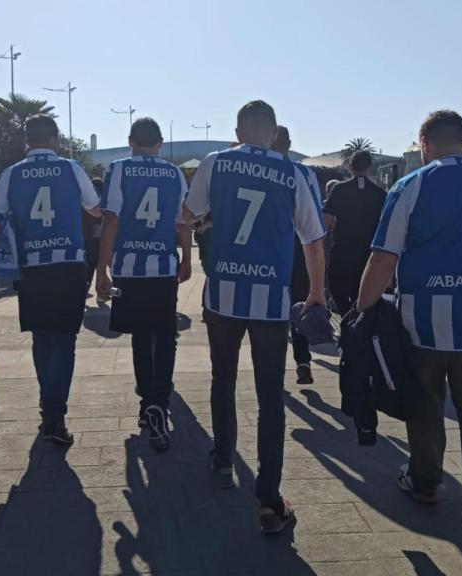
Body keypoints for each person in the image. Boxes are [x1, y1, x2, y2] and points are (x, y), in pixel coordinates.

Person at [355, 110, 462, 568]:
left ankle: (425, 483)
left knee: (425, 402)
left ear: (424, 143)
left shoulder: (412, 185)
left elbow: (384, 258)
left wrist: (361, 310)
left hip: (424, 323)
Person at [182, 100, 326, 534]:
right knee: (270, 397)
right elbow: (313, 239)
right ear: (275, 131)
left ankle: (224, 459)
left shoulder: (215, 162)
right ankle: (268, 498)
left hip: (223, 294)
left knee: (222, 379)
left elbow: (187, 215)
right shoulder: (294, 173)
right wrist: (316, 292)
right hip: (270, 298)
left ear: (238, 130)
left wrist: (207, 222)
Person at [0, 114, 101, 444]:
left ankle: (47, 404)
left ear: (27, 141)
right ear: (55, 139)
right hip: (68, 266)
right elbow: (95, 208)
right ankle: (54, 415)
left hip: (31, 269)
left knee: (41, 338)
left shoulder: (11, 174)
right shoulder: (72, 168)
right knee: (64, 341)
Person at [95, 117, 191, 452]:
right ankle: (159, 403)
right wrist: (188, 259)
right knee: (165, 336)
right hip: (163, 267)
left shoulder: (119, 168)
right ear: (160, 143)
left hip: (129, 269)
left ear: (131, 141)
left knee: (139, 335)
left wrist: (102, 268)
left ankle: (145, 398)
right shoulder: (175, 173)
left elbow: (111, 219)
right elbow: (183, 221)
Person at [271, 125, 321, 385]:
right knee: (299, 305)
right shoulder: (305, 173)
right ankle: (303, 360)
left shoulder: (263, 171)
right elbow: (315, 221)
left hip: (272, 249)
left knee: (274, 311)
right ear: (289, 144)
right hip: (302, 249)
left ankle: (274, 367)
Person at [323, 150, 387, 315]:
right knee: (363, 295)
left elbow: (327, 221)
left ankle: (347, 322)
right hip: (369, 254)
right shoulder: (379, 193)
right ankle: (359, 326)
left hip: (342, 251)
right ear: (369, 167)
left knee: (338, 292)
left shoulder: (339, 189)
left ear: (350, 166)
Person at [83, 178, 105, 295]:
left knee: (88, 263)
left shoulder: (85, 199)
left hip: (84, 234)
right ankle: (100, 289)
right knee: (95, 263)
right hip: (96, 235)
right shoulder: (100, 201)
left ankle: (86, 285)